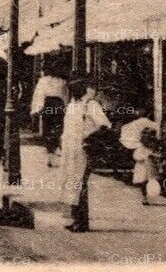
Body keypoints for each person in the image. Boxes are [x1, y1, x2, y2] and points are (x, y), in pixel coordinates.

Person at [58, 78, 111, 232]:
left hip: (82, 149)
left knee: (80, 183)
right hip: (69, 150)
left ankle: (81, 222)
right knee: (69, 182)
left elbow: (104, 125)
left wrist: (89, 138)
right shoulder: (72, 105)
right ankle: (74, 218)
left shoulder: (91, 105)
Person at [30, 70, 69, 162]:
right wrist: (66, 107)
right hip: (58, 105)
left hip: (48, 105)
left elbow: (39, 94)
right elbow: (65, 96)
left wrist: (36, 108)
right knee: (57, 127)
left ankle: (50, 151)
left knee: (47, 127)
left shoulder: (43, 80)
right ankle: (54, 148)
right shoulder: (62, 81)